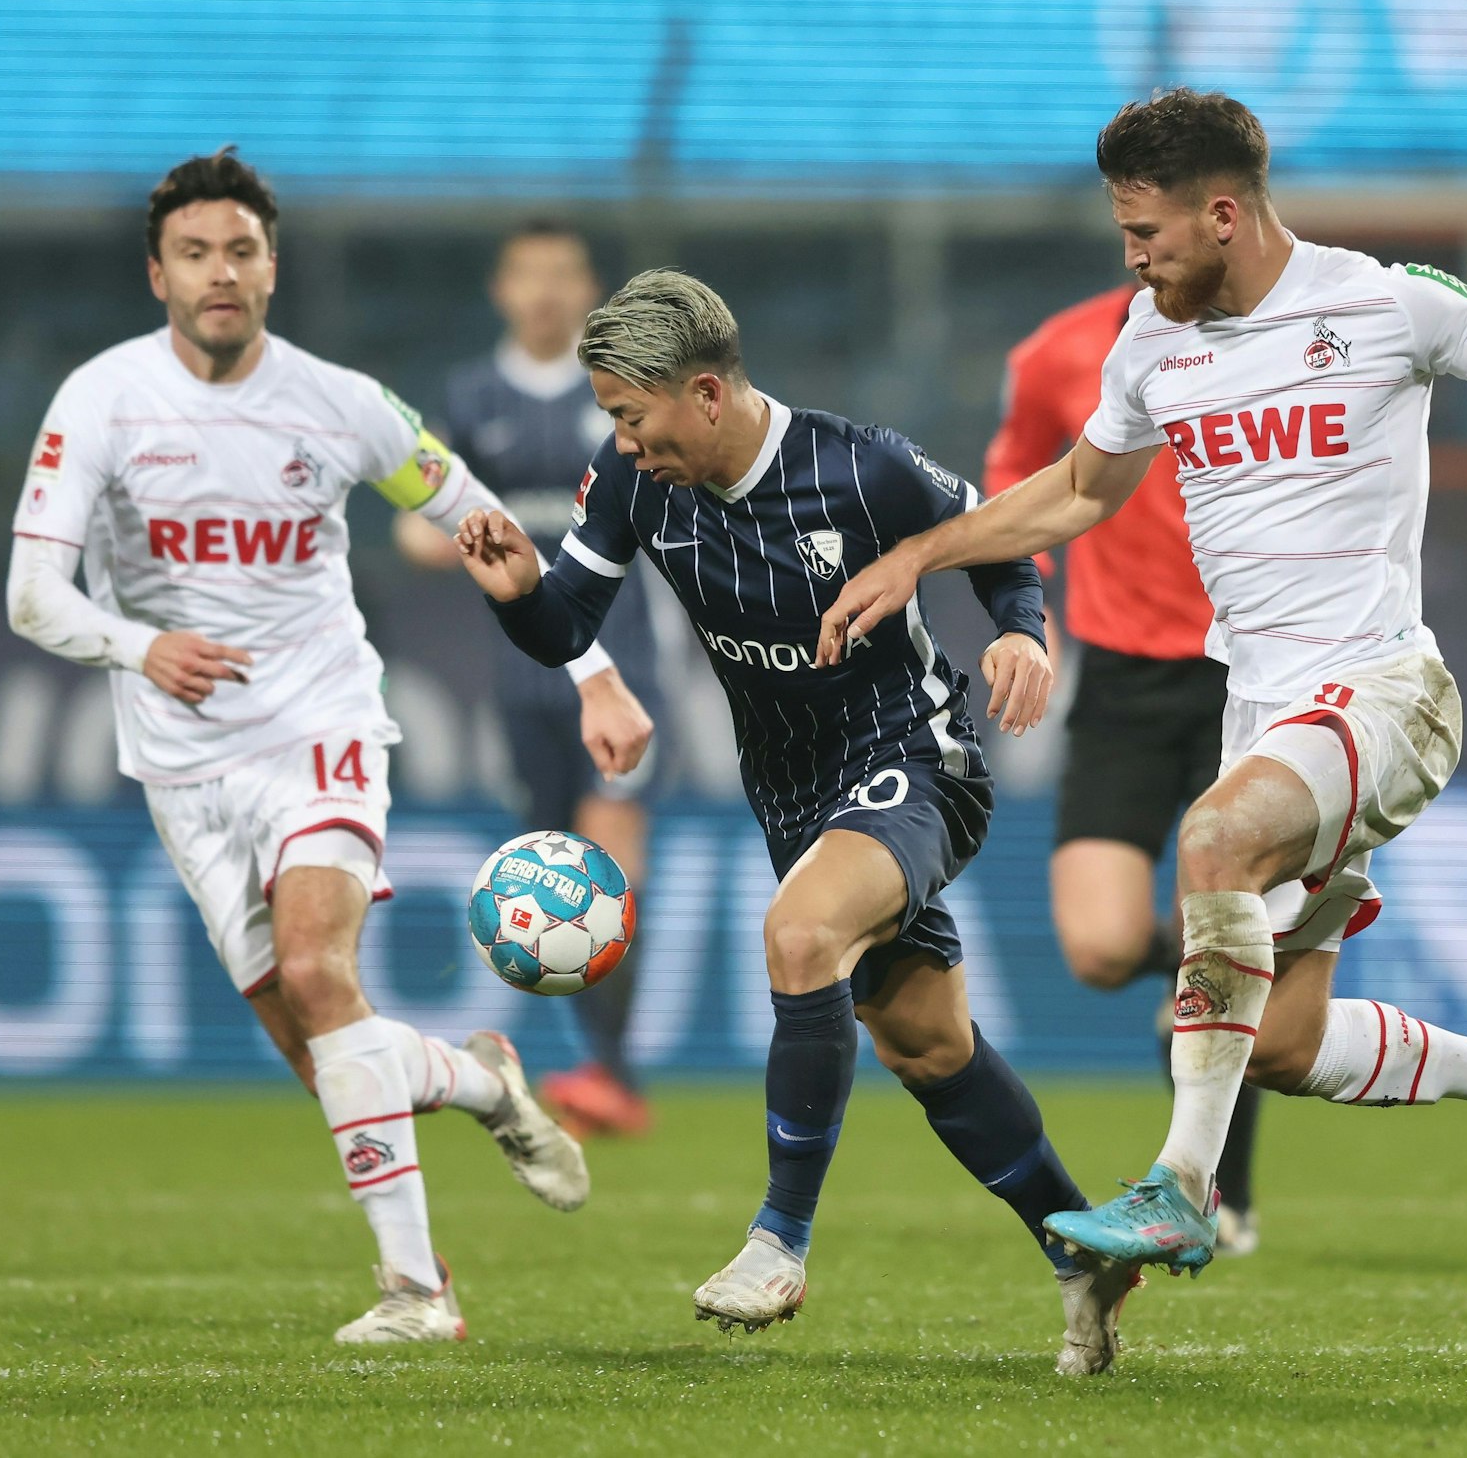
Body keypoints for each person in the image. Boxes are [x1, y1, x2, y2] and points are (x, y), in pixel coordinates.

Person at [820, 90, 1467, 1275]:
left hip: (1383, 692)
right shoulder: (1150, 340)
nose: (1130, 258)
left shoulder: (1383, 304)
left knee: (1212, 845)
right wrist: (923, 554)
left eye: (1147, 234)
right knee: (1279, 1044)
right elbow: (1082, 488)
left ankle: (1179, 1187)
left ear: (1223, 214)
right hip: (1260, 710)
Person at [4, 149, 655, 1342]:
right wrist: (136, 646)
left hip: (321, 722)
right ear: (158, 273)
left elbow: (484, 527)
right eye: (195, 253)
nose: (220, 273)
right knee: (323, 1050)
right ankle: (476, 1082)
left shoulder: (341, 403)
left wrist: (592, 673)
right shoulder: (100, 400)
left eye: (241, 251)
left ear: (270, 268)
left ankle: (418, 1295)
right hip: (181, 762)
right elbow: (33, 597)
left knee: (318, 974)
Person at [454, 268, 1139, 1376]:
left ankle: (779, 1238)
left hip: (913, 758)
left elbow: (1000, 539)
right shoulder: (636, 487)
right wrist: (516, 592)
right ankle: (1079, 1248)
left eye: (632, 415)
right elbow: (564, 623)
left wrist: (1020, 631)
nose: (621, 440)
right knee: (928, 1046)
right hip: (791, 793)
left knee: (798, 934)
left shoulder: (859, 466)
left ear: (707, 394)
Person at [984, 286, 1263, 1256]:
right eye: (1133, 224)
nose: (1148, 243)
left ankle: (1222, 1198)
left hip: (1255, 665)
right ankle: (1202, 971)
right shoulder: (1056, 353)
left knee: (1228, 915)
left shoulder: (1281, 330)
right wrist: (1030, 602)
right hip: (1122, 675)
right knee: (1099, 947)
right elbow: (1017, 469)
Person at [398, 220, 665, 1138]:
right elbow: (414, 517)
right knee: (553, 886)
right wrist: (460, 539)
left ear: (590, 286)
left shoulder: (626, 389)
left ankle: (614, 1074)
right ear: (503, 290)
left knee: (612, 867)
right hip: (523, 679)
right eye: (530, 275)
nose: (547, 291)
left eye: (564, 274)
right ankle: (607, 1068)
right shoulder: (473, 398)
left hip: (623, 666)